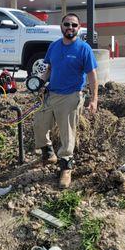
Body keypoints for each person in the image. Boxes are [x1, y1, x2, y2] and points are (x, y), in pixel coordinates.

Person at [33, 13, 98, 188]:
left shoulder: (84, 48)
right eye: (67, 24)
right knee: (39, 124)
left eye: (74, 25)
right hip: (51, 93)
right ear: (61, 26)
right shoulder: (53, 47)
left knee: (67, 133)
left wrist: (94, 99)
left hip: (71, 95)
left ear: (79, 28)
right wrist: (40, 82)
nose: (70, 27)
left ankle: (66, 167)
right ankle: (48, 153)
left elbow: (92, 76)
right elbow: (49, 68)